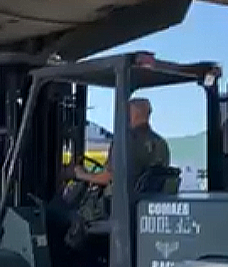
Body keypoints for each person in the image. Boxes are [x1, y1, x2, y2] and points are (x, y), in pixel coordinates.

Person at [63, 97, 170, 250]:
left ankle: (70, 257)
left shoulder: (126, 142)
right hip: (142, 201)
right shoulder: (161, 144)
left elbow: (109, 177)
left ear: (131, 114)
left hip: (117, 205)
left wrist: (81, 174)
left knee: (71, 215)